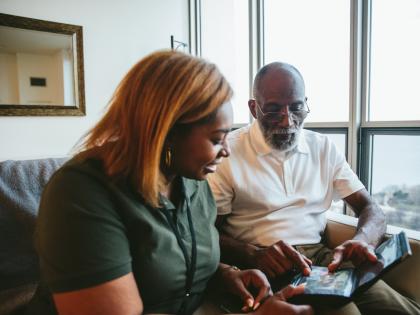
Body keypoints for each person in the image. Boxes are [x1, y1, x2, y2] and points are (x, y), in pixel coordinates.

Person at [24, 51, 313, 315]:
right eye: (215, 139)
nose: (226, 151)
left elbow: (179, 261)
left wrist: (225, 275)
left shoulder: (192, 180)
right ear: (167, 132)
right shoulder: (80, 193)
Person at [208, 61, 420, 315]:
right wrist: (253, 254)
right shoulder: (227, 152)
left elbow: (370, 208)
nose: (288, 121)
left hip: (322, 260)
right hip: (265, 265)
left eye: (297, 107)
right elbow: (206, 233)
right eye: (274, 110)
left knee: (403, 310)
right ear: (254, 108)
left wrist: (362, 240)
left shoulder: (322, 147)